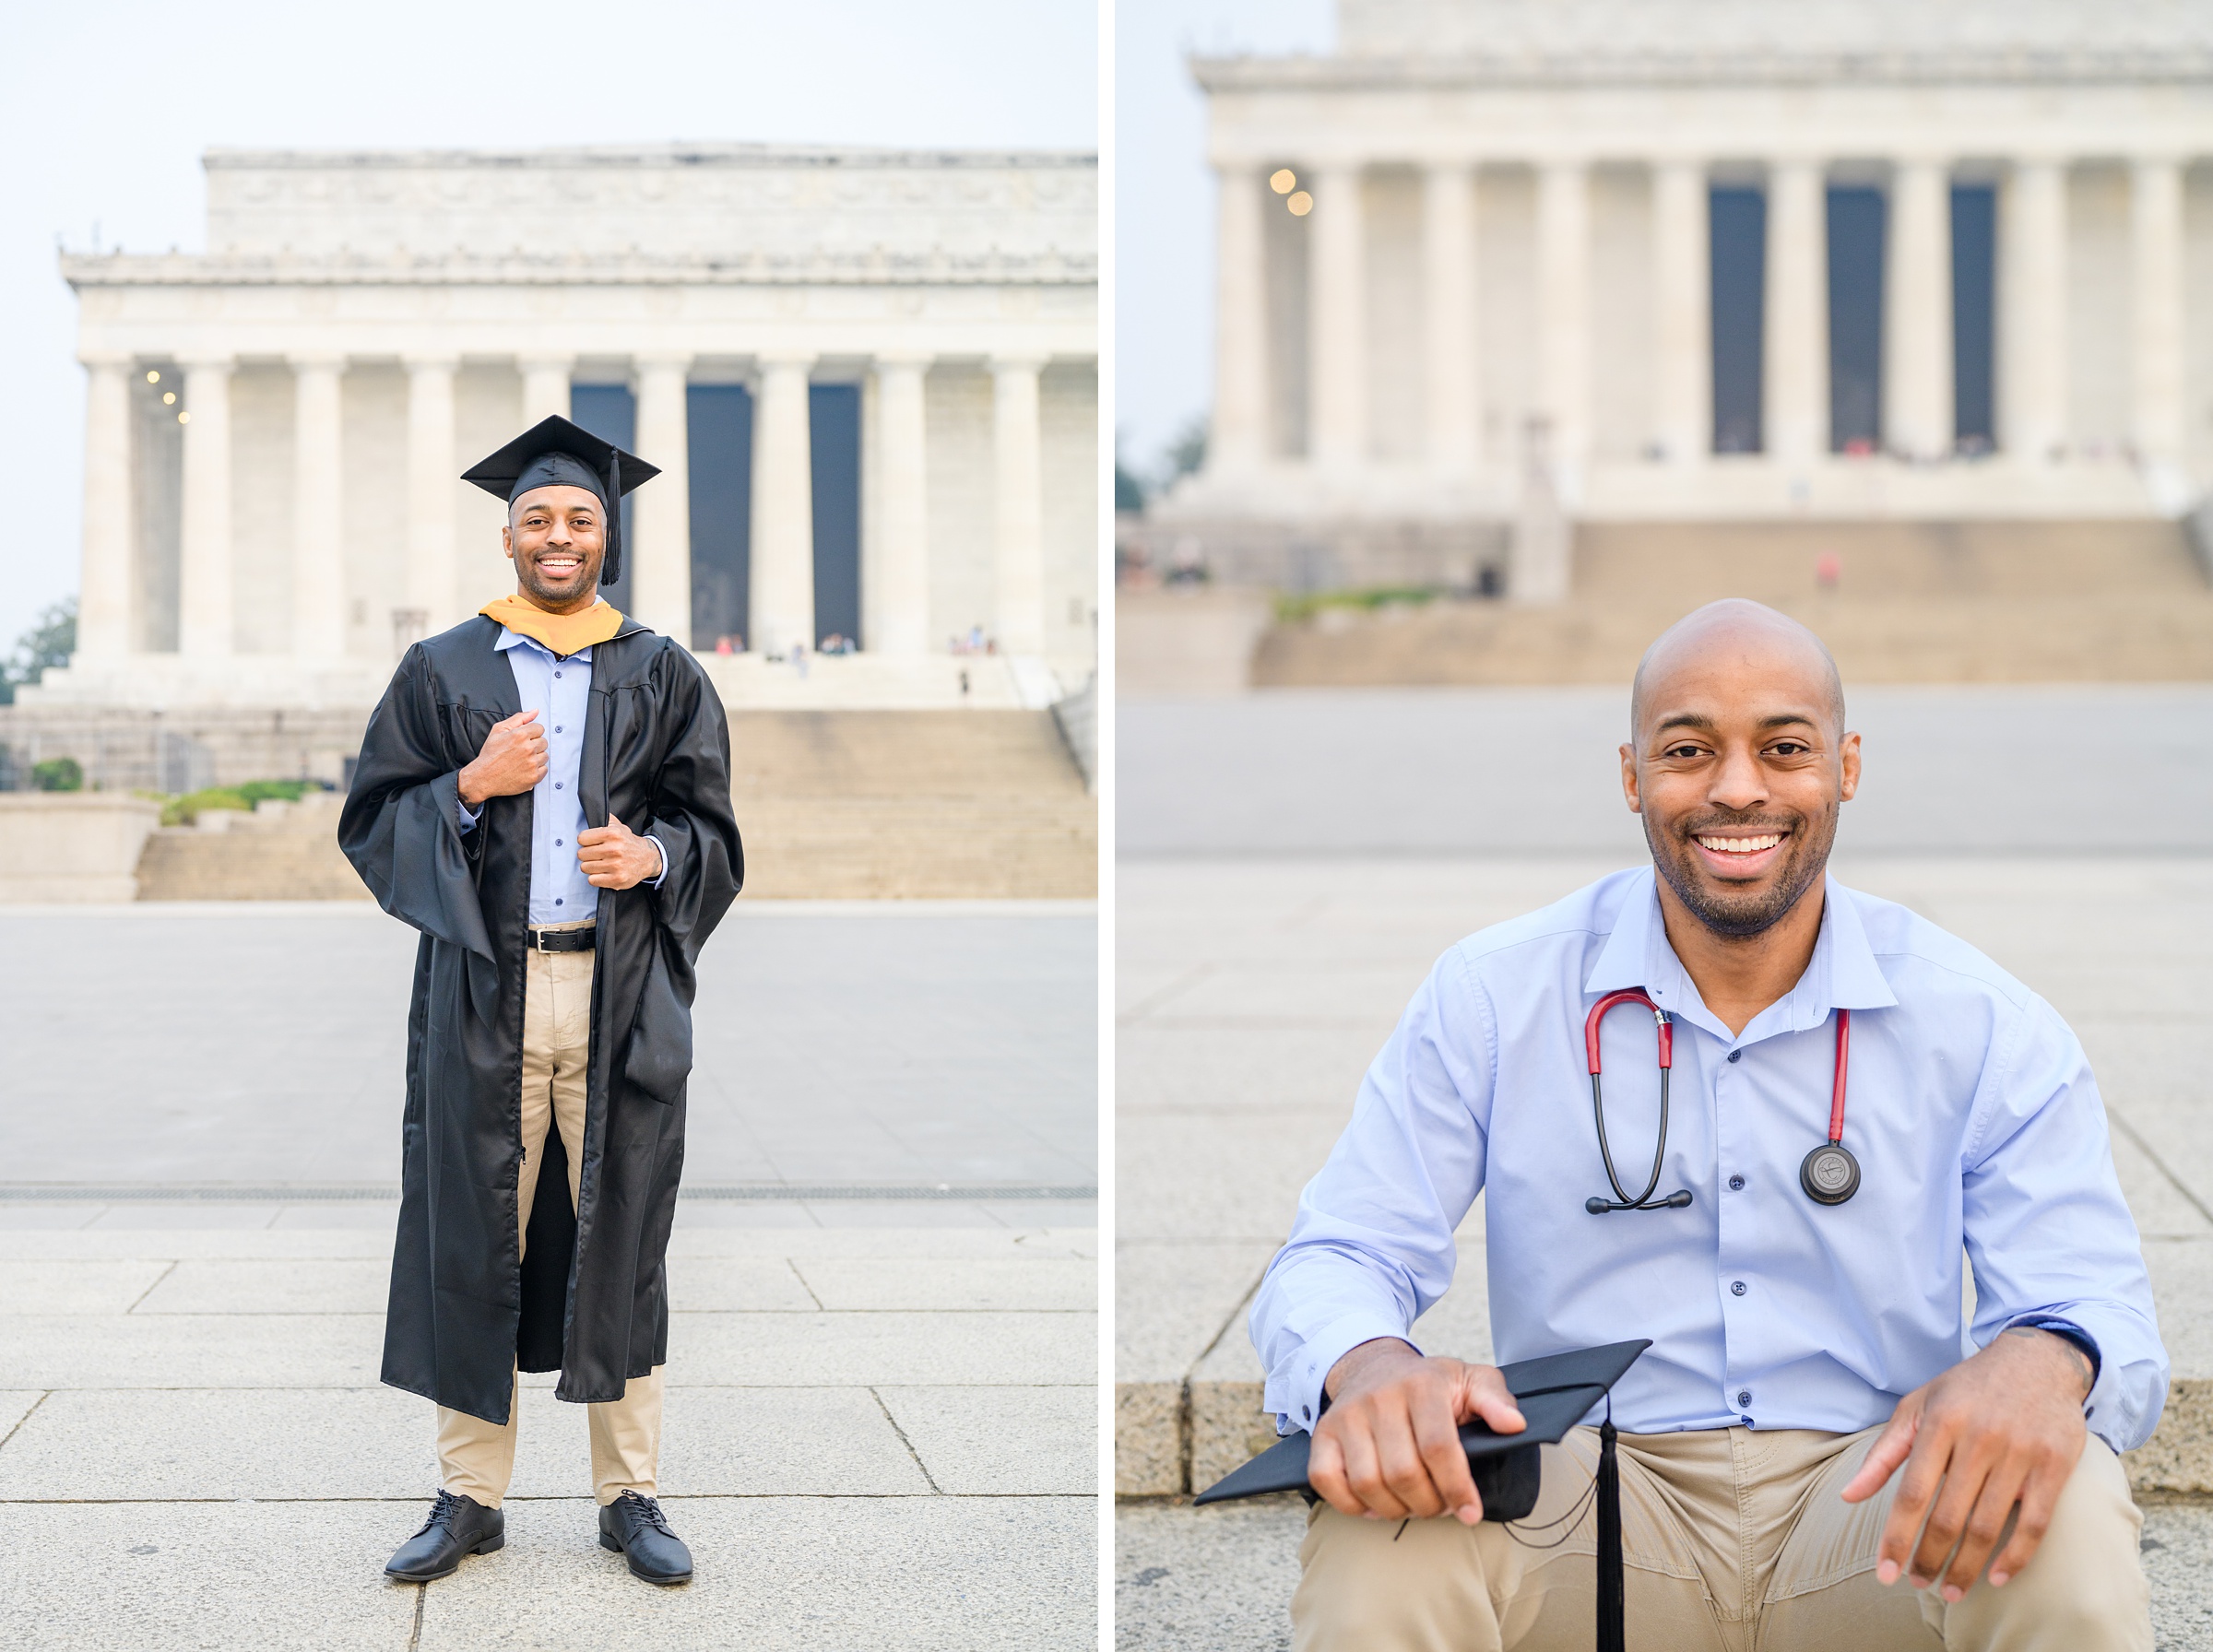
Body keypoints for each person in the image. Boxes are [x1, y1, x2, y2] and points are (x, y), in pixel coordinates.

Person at [1253, 599, 2164, 1650]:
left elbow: (2098, 1301)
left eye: (1785, 747)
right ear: (1634, 774)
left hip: (1869, 1503)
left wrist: (2047, 1360)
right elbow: (1341, 1250)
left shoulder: (1982, 1018)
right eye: (1690, 750)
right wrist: (1367, 1367)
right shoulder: (1495, 996)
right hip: (1591, 1502)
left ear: (1847, 766)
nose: (1739, 788)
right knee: (1388, 1521)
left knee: (2057, 1483)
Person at [340, 415, 743, 1588]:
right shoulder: (445, 670)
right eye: (537, 519)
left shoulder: (663, 669)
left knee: (628, 1230)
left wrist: (656, 859)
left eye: (578, 519)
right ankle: (470, 1495)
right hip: (486, 990)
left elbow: (711, 826)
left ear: (606, 538)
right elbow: (371, 822)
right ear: (507, 535)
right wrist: (468, 784)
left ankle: (631, 1495)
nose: (556, 537)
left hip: (619, 992)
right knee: (474, 1227)